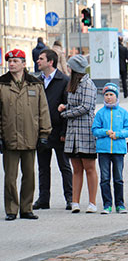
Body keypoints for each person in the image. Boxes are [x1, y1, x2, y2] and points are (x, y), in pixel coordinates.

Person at [0, 49, 52, 221]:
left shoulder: (35, 84)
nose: (12, 64)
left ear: (24, 64)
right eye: (10, 61)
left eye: (15, 61)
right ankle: (11, 209)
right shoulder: (2, 84)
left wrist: (44, 134)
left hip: (30, 137)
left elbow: (43, 110)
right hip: (9, 138)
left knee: (29, 176)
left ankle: (26, 208)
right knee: (10, 178)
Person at [33, 49, 73, 211]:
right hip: (41, 131)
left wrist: (64, 132)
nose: (37, 61)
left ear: (50, 62)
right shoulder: (36, 81)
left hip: (58, 131)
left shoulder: (63, 80)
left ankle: (70, 198)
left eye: (41, 59)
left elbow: (67, 108)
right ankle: (43, 199)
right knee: (43, 167)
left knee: (64, 166)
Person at [58, 54, 98, 214]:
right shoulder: (72, 84)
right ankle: (75, 201)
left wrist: (65, 113)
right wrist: (65, 107)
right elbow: (74, 104)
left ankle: (92, 202)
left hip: (85, 131)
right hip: (73, 132)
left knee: (89, 167)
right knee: (76, 168)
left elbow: (85, 107)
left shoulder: (88, 84)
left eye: (69, 66)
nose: (67, 68)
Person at [92, 83, 128, 214]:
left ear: (116, 96)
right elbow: (95, 130)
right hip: (103, 150)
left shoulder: (123, 113)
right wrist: (106, 132)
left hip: (119, 149)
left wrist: (118, 134)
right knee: (105, 178)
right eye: (106, 95)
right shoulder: (100, 113)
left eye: (111, 95)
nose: (109, 97)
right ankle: (107, 204)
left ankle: (120, 204)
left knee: (118, 178)